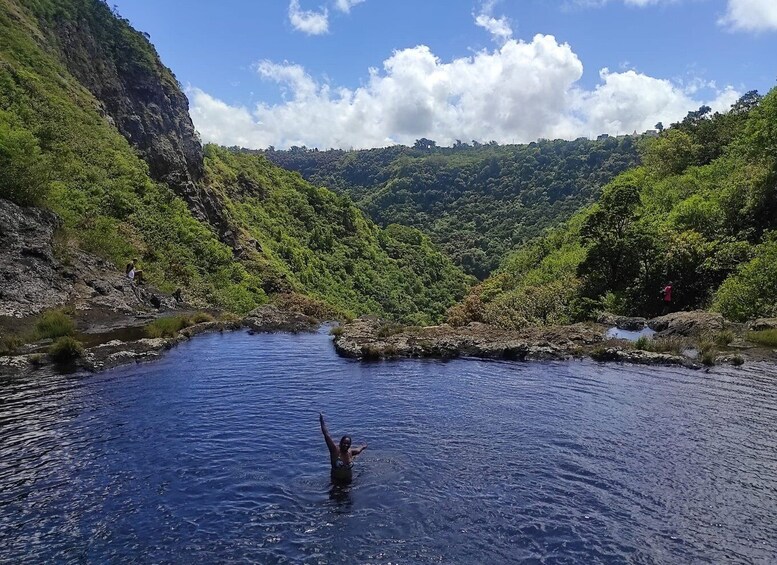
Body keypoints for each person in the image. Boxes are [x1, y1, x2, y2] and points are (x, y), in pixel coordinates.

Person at [319, 412, 367, 482]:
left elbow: (358, 450)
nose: (346, 445)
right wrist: (321, 420)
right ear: (340, 443)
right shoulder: (334, 450)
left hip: (349, 481)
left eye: (348, 444)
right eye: (344, 443)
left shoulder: (350, 452)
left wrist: (363, 446)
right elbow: (326, 435)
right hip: (336, 482)